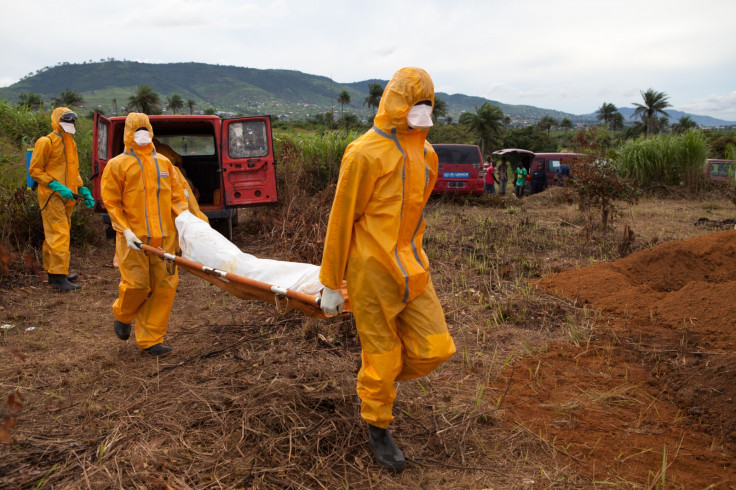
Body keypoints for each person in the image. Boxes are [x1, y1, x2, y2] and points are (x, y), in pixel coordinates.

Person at [319, 67, 456, 472]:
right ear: (394, 102)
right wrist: (331, 282)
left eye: (427, 103)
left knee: (436, 348)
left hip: (415, 269)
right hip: (371, 273)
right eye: (414, 102)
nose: (421, 110)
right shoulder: (364, 152)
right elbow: (341, 219)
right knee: (382, 354)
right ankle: (377, 424)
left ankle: (378, 380)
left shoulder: (428, 155)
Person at [101, 113, 189, 356]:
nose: (141, 134)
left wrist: (186, 223)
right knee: (138, 285)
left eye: (145, 129)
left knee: (164, 287)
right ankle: (123, 314)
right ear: (129, 133)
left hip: (165, 240)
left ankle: (151, 339)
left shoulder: (164, 163)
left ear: (151, 131)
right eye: (136, 129)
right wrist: (126, 231)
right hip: (133, 241)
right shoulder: (117, 165)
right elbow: (112, 203)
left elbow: (177, 198)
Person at [28, 107, 95, 292]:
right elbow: (34, 170)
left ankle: (55, 272)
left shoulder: (70, 142)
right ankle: (58, 279)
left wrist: (82, 188)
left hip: (68, 197)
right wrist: (56, 186)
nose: (69, 125)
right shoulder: (46, 141)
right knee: (59, 234)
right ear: (57, 121)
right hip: (51, 195)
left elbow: (74, 170)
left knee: (58, 233)